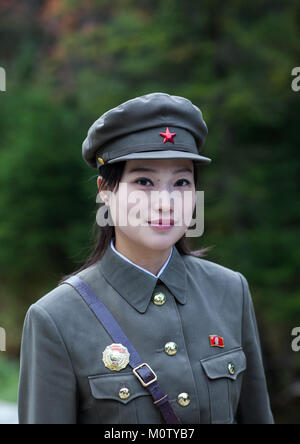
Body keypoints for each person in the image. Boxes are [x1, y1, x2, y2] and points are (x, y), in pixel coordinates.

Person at [18, 92, 274, 424]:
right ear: (105, 192)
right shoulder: (55, 319)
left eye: (181, 182)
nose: (166, 202)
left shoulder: (229, 291)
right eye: (144, 181)